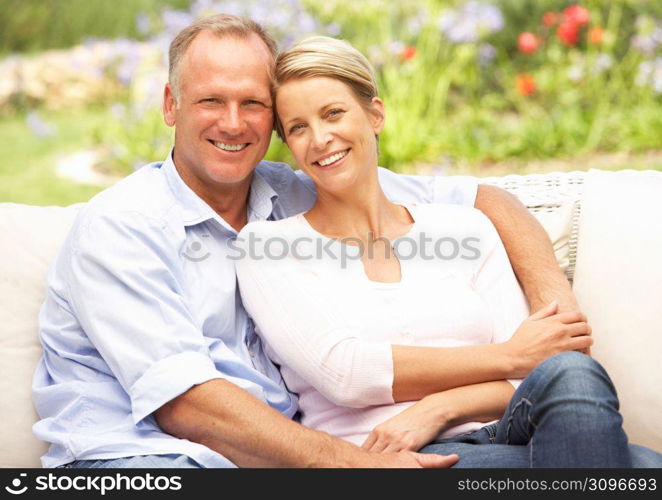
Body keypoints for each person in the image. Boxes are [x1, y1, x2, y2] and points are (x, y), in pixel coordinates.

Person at [33, 14, 593, 469]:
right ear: (170, 105)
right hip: (144, 461)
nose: (233, 123)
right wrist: (353, 464)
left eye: (252, 103)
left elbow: (484, 200)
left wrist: (555, 317)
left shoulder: (295, 190)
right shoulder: (121, 227)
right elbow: (187, 404)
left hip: (282, 459)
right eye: (210, 101)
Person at [234, 35, 662, 467]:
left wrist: (437, 409)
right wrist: (508, 355)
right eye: (298, 128)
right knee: (641, 467)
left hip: (509, 431)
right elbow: (346, 374)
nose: (321, 138)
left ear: (374, 114)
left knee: (572, 373)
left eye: (333, 113)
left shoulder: (465, 228)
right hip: (396, 460)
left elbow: (537, 369)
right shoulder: (268, 247)